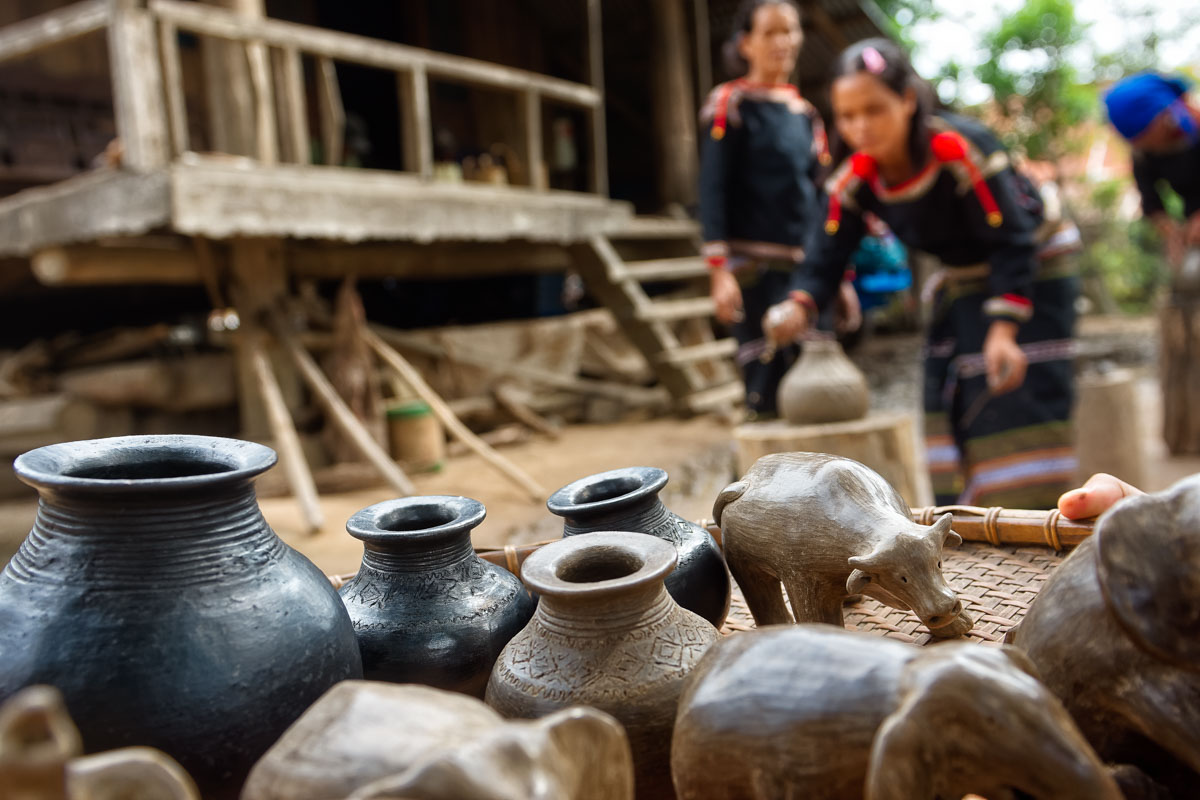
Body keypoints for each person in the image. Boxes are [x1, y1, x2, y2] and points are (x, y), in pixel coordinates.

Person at [768, 38, 1079, 508]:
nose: (860, 127)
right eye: (847, 116)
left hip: (1035, 260)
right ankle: (973, 516)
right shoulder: (855, 180)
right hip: (962, 275)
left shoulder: (959, 149)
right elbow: (824, 255)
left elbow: (1012, 240)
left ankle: (1037, 516)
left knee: (1013, 389)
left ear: (908, 100)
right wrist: (799, 304)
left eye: (874, 110)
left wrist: (1003, 328)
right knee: (946, 386)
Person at [698, 0, 854, 419]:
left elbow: (821, 199)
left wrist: (836, 276)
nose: (783, 41)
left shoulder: (805, 114)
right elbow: (712, 187)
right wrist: (719, 270)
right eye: (770, 32)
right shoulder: (729, 104)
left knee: (819, 389)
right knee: (767, 392)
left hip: (804, 271)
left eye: (790, 30)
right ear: (746, 43)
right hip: (753, 270)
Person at [1104, 73, 1200, 269]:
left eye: (1143, 135)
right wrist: (1171, 232)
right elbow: (1151, 201)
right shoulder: (1144, 155)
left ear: (1162, 115)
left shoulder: (1195, 125)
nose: (1140, 144)